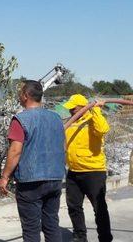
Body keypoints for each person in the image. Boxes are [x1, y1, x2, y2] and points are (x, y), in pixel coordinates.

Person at [0, 80, 66, 242]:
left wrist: (5, 177)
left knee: (31, 229)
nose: (19, 96)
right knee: (51, 225)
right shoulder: (56, 118)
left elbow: (15, 151)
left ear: (26, 95)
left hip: (31, 183)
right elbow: (63, 147)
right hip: (55, 179)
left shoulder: (20, 119)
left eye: (20, 93)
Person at [63, 94, 112, 242]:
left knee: (99, 208)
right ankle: (79, 236)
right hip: (73, 171)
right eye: (70, 109)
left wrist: (96, 110)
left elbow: (103, 129)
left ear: (83, 108)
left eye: (74, 108)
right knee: (73, 206)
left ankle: (105, 238)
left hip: (93, 172)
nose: (71, 111)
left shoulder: (93, 120)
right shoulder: (70, 123)